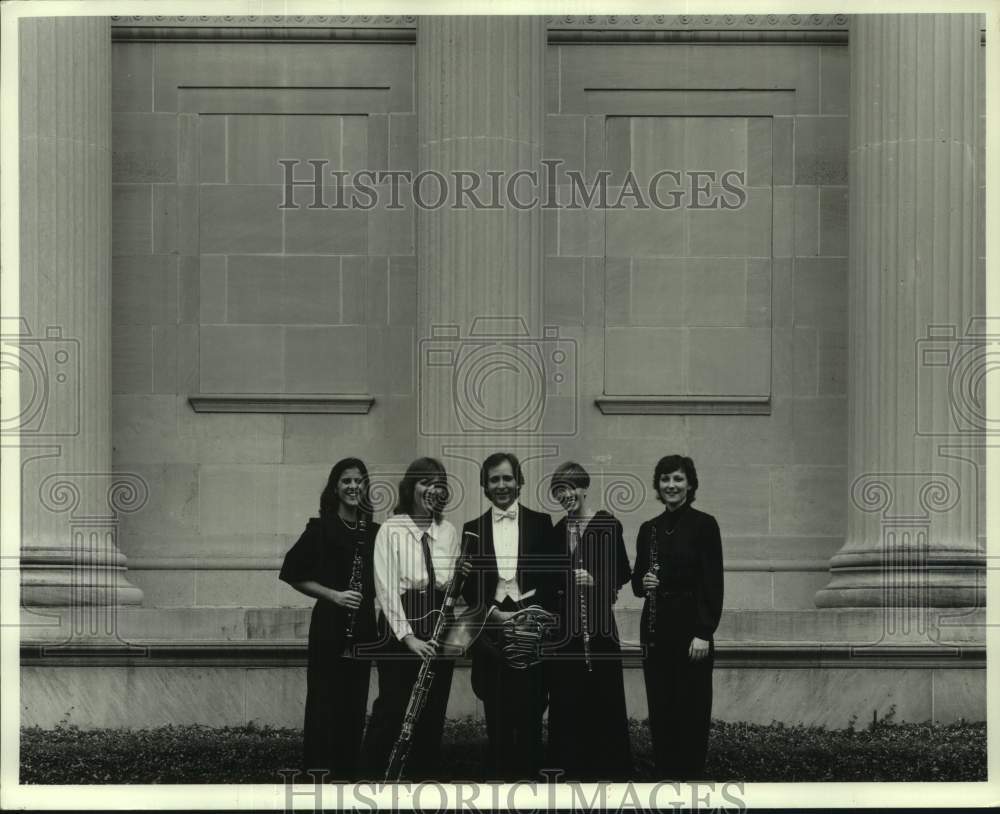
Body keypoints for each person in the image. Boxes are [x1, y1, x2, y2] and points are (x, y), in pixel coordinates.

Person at [461, 452, 566, 781]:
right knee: (495, 704)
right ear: (485, 486)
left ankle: (531, 774)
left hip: (530, 623)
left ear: (519, 482)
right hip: (492, 627)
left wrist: (536, 618)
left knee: (533, 705)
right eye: (494, 479)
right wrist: (492, 614)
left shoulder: (541, 523)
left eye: (508, 478)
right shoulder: (472, 529)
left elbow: (552, 577)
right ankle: (500, 776)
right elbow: (468, 586)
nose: (502, 485)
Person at [359, 457, 463, 780]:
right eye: (425, 482)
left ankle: (422, 782)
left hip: (438, 621)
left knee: (432, 709)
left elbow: (450, 586)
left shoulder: (448, 531)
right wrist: (408, 638)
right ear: (411, 487)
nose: (432, 488)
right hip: (400, 621)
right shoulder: (391, 529)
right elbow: (385, 587)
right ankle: (372, 780)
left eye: (438, 483)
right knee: (393, 707)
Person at [279, 457, 378, 781]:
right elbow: (292, 573)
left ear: (365, 487)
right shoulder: (320, 528)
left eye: (358, 481)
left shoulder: (374, 532)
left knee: (354, 705)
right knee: (323, 704)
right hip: (329, 626)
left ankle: (347, 779)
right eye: (346, 481)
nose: (353, 487)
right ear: (335, 487)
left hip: (362, 627)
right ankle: (318, 779)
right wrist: (334, 595)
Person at [632, 455, 724, 780]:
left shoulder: (704, 525)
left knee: (692, 706)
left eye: (678, 479)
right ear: (657, 485)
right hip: (655, 628)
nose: (671, 485)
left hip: (691, 629)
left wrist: (704, 632)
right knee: (661, 705)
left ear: (690, 484)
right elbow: (636, 584)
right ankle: (666, 777)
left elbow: (712, 582)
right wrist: (643, 582)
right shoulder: (649, 529)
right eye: (665, 479)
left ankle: (691, 778)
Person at [546, 461, 633, 780]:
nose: (564, 496)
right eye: (558, 491)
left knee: (602, 695)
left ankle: (606, 768)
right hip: (567, 629)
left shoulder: (607, 524)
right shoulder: (558, 530)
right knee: (568, 697)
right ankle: (570, 767)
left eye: (568, 489)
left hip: (599, 627)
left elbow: (624, 572)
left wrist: (596, 580)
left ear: (583, 487)